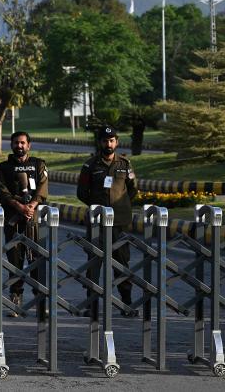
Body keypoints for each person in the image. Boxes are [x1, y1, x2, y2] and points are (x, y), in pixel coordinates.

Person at [77, 126, 138, 317]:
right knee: (94, 263)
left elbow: (133, 189)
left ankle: (126, 303)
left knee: (121, 262)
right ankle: (91, 303)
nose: (108, 144)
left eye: (112, 140)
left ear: (117, 142)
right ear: (100, 142)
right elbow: (82, 192)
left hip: (119, 222)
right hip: (97, 224)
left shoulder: (125, 165)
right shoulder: (90, 165)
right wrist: (97, 206)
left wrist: (120, 206)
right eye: (105, 140)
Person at [0, 131, 48, 317]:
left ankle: (40, 300)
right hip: (13, 220)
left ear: (29, 145)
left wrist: (31, 206)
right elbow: (3, 193)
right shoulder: (3, 167)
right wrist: (19, 207)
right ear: (11, 145)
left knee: (37, 260)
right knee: (15, 261)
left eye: (23, 143)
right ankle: (15, 299)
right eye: (16, 143)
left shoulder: (38, 164)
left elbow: (42, 188)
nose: (19, 146)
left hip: (34, 219)